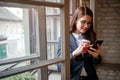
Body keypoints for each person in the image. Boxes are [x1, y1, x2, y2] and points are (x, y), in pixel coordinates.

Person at [57, 6, 102, 80]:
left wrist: (96, 56)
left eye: (89, 23)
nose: (86, 26)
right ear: (75, 20)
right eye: (83, 22)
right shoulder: (64, 38)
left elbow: (96, 62)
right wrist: (75, 53)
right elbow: (59, 66)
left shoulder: (90, 36)